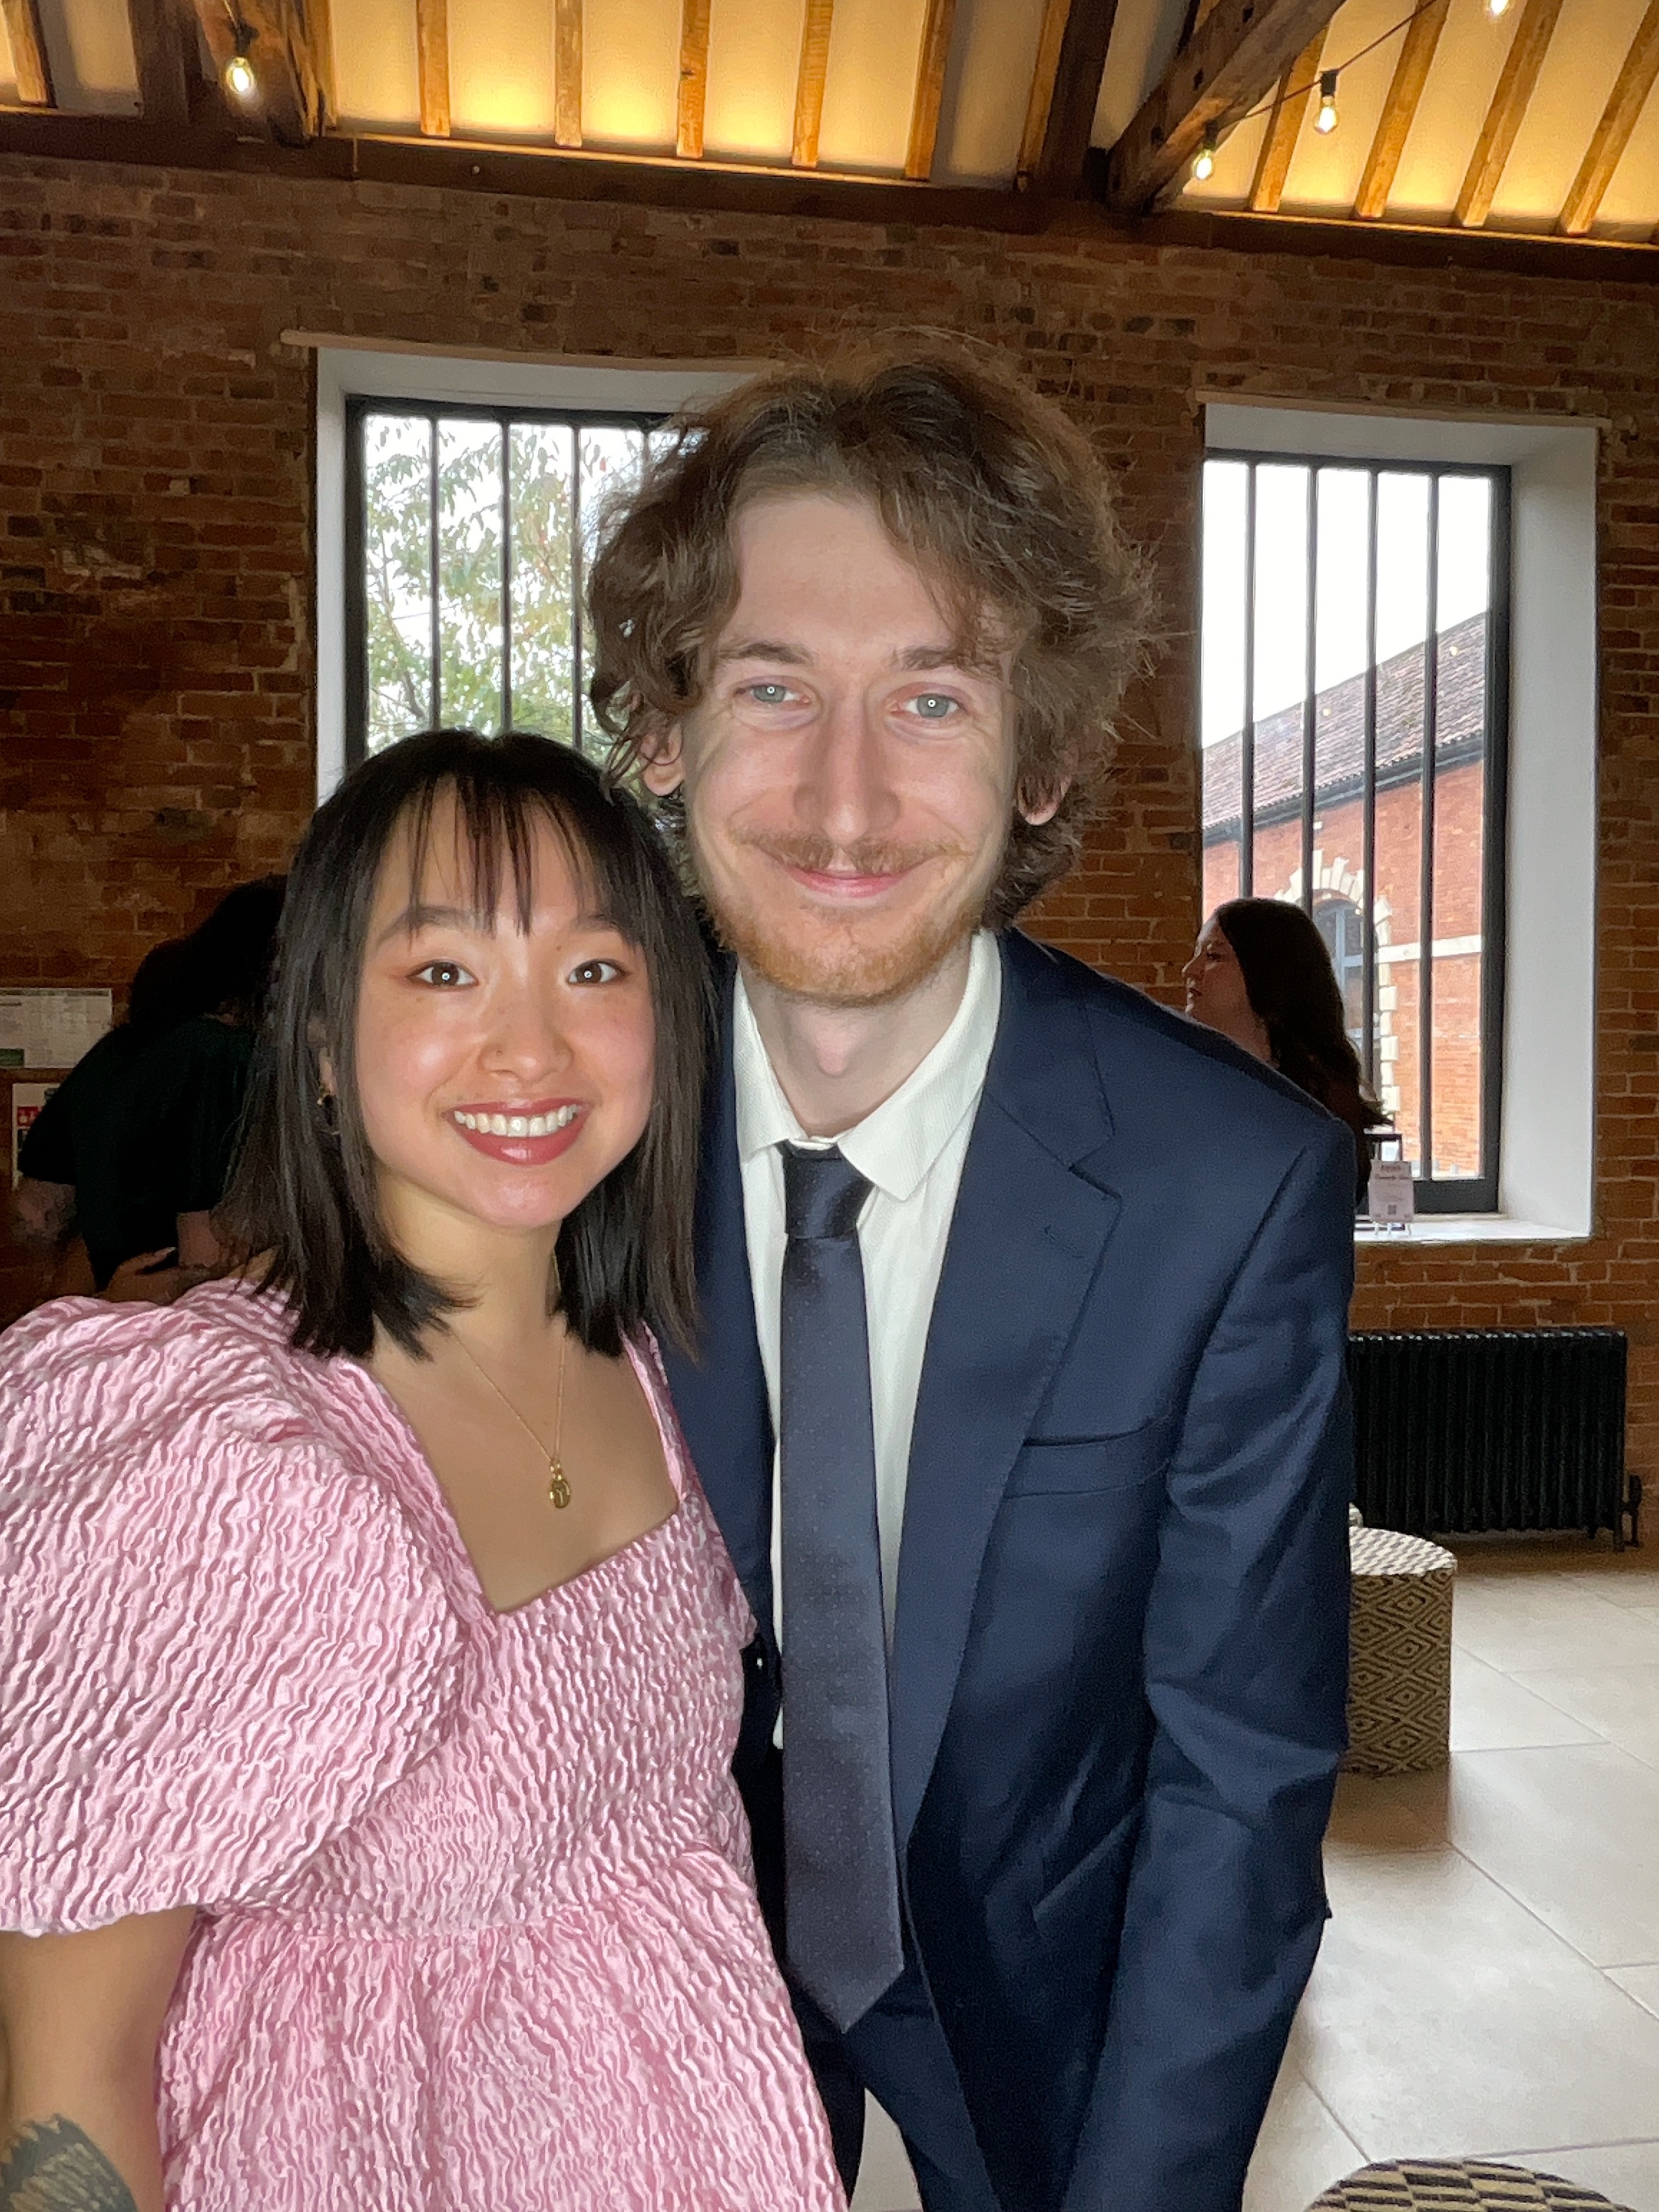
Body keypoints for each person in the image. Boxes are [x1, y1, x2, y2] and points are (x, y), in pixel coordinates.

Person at [585, 348, 1357, 2212]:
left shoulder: (1223, 1187)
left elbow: (1232, 1783)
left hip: (1034, 1982)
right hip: (631, 1995)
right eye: (774, 684)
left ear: (1048, 758)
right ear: (664, 728)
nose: (843, 802)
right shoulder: (557, 1131)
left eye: (929, 697)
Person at [0, 730, 844, 2212]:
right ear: (324, 1036)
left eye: (594, 970)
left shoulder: (681, 1365)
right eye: (445, 972)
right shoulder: (226, 1463)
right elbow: (69, 2082)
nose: (531, 1049)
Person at [11, 877, 286, 1302]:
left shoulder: (118, 1048)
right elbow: (206, 1247)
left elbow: (34, 1211)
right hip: (189, 1310)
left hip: (113, 1293)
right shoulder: (222, 1054)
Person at [1183, 896, 1385, 1207]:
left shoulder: (1319, 1105)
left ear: (1266, 971)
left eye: (1213, 956)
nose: (1190, 970)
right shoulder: (1195, 1076)